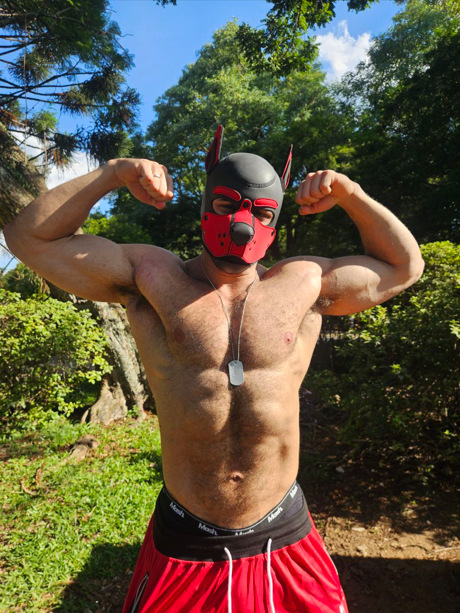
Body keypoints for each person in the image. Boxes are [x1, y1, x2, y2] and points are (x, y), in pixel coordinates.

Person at [3, 125, 424, 613]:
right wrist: (112, 173)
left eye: (262, 212)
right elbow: (27, 237)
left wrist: (351, 194)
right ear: (205, 207)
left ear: (275, 221)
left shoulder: (304, 283)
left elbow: (404, 266)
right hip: (187, 541)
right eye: (227, 205)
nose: (244, 224)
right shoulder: (153, 276)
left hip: (285, 533)